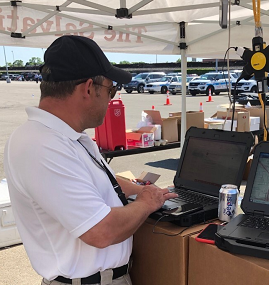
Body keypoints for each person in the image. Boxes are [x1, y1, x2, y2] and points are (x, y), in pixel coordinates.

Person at [3, 35, 178, 285]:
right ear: (87, 88)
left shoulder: (67, 136)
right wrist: (146, 202)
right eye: (111, 89)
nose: (111, 99)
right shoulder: (40, 145)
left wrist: (142, 190)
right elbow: (101, 231)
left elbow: (97, 179)